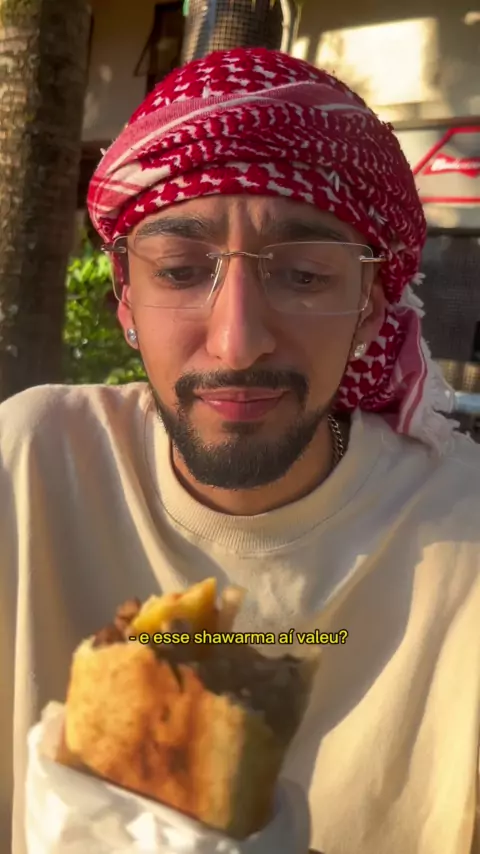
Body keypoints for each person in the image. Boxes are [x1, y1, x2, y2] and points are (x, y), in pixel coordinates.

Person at [1, 46, 480, 854]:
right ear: (124, 295)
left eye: (304, 275)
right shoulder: (30, 468)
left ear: (369, 307)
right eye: (181, 270)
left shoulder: (466, 537)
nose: (237, 341)